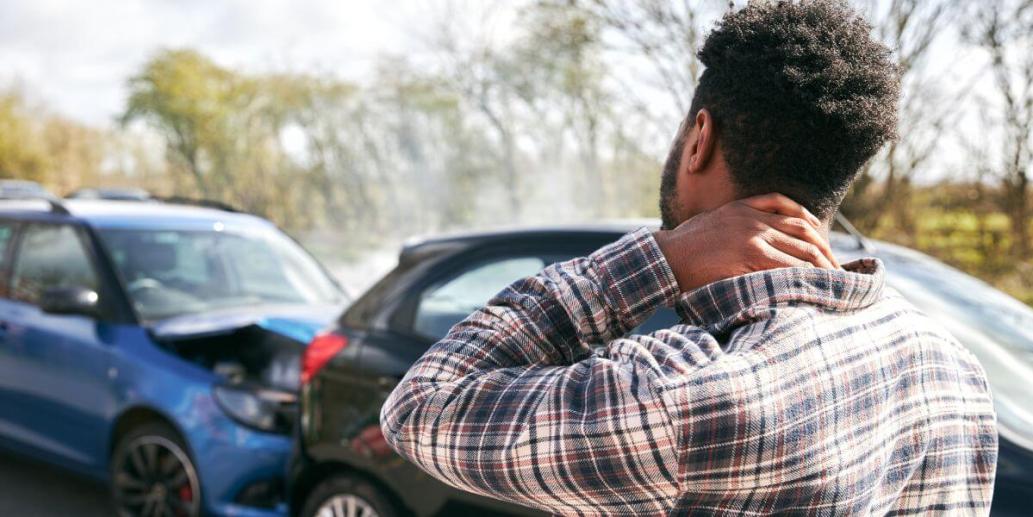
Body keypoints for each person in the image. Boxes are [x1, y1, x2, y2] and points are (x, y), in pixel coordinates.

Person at [380, 1, 998, 514]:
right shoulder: (952, 368)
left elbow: (422, 406)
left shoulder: (683, 394)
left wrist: (662, 258)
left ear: (699, 138)